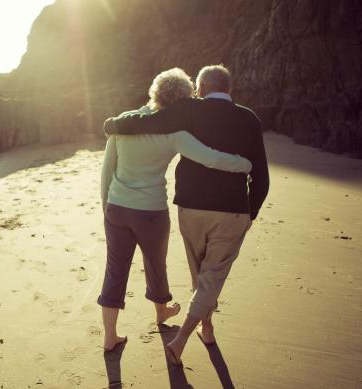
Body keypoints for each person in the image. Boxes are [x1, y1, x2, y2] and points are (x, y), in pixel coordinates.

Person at [104, 64, 270, 364]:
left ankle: (200, 328)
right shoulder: (234, 121)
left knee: (184, 275)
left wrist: (113, 126)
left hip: (155, 207)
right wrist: (248, 189)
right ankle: (173, 327)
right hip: (195, 209)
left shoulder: (162, 115)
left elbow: (134, 137)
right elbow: (234, 163)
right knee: (186, 272)